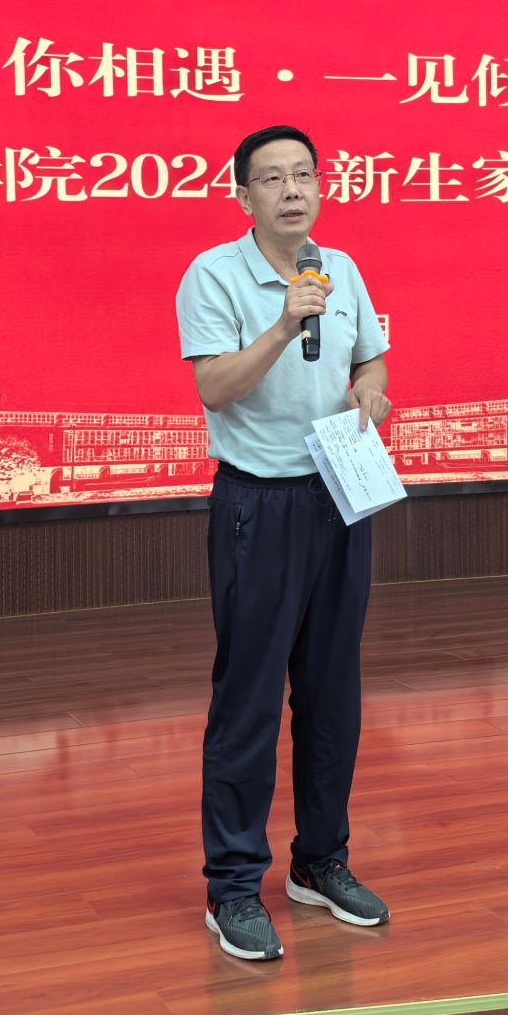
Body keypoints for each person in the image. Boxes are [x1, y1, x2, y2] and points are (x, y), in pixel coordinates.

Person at [175, 124, 393, 961]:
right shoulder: (213, 275)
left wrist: (369, 395)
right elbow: (214, 387)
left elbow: (370, 362)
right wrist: (280, 324)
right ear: (244, 195)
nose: (293, 190)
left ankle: (319, 861)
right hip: (257, 507)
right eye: (273, 178)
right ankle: (233, 886)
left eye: (304, 174)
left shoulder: (342, 269)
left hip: (339, 493)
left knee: (333, 694)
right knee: (251, 699)